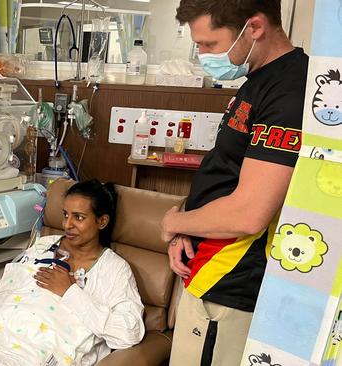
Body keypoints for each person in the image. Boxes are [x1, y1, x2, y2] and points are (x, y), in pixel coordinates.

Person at [162, 1, 308, 365]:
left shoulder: (290, 92)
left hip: (231, 280)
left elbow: (249, 213)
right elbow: (226, 172)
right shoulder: (257, 81)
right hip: (207, 268)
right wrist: (187, 223)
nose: (202, 55)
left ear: (254, 27)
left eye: (209, 45)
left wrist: (171, 223)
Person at [0, 180, 145, 366]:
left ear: (102, 221)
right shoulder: (43, 246)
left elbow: (128, 333)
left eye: (78, 217)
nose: (67, 224)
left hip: (33, 349)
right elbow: (6, 290)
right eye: (65, 215)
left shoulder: (113, 269)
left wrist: (69, 292)